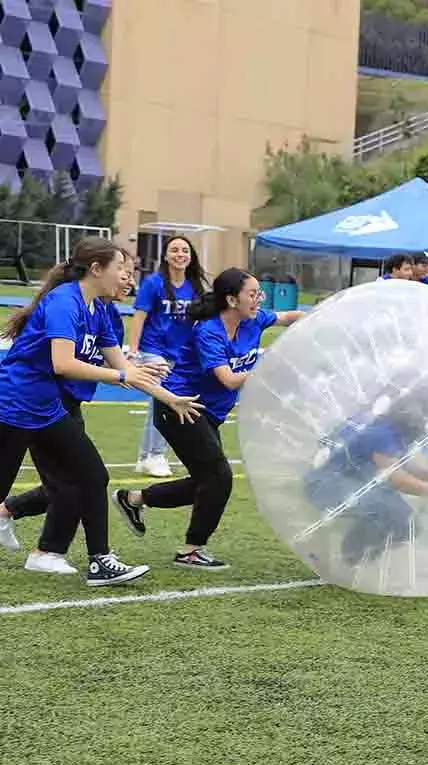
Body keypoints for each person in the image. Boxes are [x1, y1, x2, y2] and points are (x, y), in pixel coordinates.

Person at [0, 239, 194, 586]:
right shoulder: (65, 302)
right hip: (12, 406)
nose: (127, 276)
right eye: (121, 267)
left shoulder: (99, 311)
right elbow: (63, 364)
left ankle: (100, 561)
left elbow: (125, 367)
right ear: (96, 269)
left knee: (92, 475)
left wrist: (170, 398)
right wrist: (121, 375)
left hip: (45, 410)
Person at [115, 268, 305, 571]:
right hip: (179, 408)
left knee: (207, 481)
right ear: (231, 299)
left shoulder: (253, 321)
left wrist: (322, 314)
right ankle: (191, 550)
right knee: (218, 477)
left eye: (259, 293)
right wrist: (270, 367)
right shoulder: (209, 332)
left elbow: (287, 318)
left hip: (208, 414)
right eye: (253, 294)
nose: (259, 299)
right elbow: (228, 380)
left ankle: (133, 498)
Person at [302, 381, 428, 566]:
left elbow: (414, 465)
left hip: (353, 482)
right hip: (327, 485)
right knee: (390, 514)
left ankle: (355, 555)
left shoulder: (387, 425)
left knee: (409, 525)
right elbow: (398, 480)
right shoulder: (381, 431)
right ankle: (350, 556)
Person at [127, 236, 208, 478]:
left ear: (191, 256)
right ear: (165, 256)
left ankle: (145, 457)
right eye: (174, 250)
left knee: (160, 403)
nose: (180, 254)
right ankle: (156, 455)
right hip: (154, 351)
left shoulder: (196, 287)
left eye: (185, 250)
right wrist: (132, 351)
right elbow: (139, 317)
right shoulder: (154, 283)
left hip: (180, 354)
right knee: (166, 401)